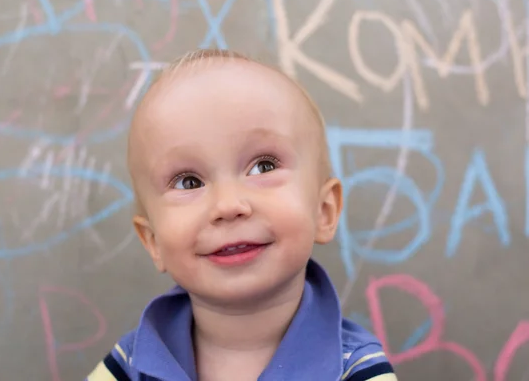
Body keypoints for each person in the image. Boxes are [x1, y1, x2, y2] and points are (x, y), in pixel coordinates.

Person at [85, 49, 397, 381]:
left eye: (263, 166)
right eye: (188, 182)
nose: (228, 205)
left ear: (324, 211)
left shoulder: (356, 371)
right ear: (153, 242)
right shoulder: (132, 363)